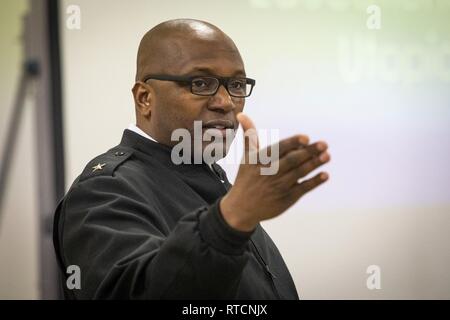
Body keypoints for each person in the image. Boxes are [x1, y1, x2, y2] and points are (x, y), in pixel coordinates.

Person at [53, 19, 330, 299]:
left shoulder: (210, 176)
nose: (225, 102)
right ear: (145, 98)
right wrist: (232, 217)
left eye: (235, 84)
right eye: (200, 82)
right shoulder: (104, 189)